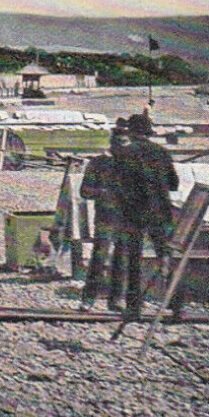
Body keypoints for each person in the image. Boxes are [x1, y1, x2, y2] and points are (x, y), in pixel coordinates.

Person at [111, 112, 179, 319]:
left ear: (131, 132)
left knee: (134, 260)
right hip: (160, 212)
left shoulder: (125, 153)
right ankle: (177, 305)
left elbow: (116, 185)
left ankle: (134, 308)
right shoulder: (161, 152)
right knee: (166, 256)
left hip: (134, 213)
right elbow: (174, 184)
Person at [79, 120, 129, 311]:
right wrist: (103, 192)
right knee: (99, 259)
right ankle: (88, 299)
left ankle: (116, 300)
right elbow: (84, 191)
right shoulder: (97, 164)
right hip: (105, 218)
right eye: (119, 144)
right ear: (112, 144)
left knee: (122, 259)